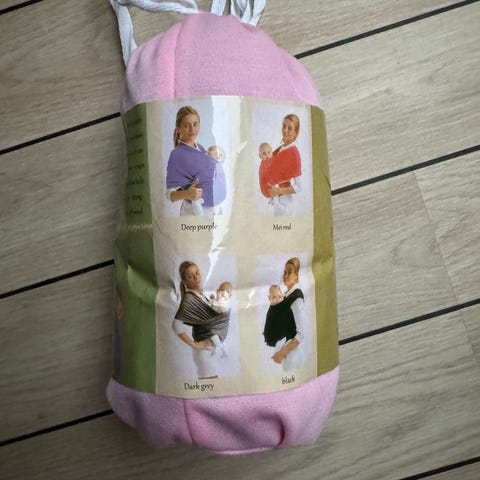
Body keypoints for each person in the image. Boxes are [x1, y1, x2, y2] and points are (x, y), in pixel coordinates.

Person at [172, 261, 231, 378]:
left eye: (197, 273)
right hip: (205, 352)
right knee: (210, 385)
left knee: (213, 385)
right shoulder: (189, 299)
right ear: (185, 281)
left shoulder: (201, 295)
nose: (196, 278)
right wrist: (195, 345)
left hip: (212, 350)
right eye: (190, 276)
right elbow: (176, 325)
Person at [165, 106, 226, 216]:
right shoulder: (177, 154)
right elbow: (169, 195)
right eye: (186, 126)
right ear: (178, 129)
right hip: (192, 213)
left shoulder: (201, 148)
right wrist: (186, 193)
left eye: (195, 124)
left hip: (212, 211)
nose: (192, 129)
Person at [263, 257, 305, 371]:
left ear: (296, 275)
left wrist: (281, 353)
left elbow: (301, 334)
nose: (285, 276)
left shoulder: (296, 298)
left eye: (289, 272)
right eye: (284, 272)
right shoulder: (284, 295)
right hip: (281, 353)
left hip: (290, 355)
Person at [258, 114, 302, 216]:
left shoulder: (293, 153)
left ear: (296, 132)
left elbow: (299, 186)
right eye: (284, 126)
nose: (285, 130)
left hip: (284, 202)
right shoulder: (281, 149)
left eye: (290, 128)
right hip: (276, 200)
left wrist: (278, 191)